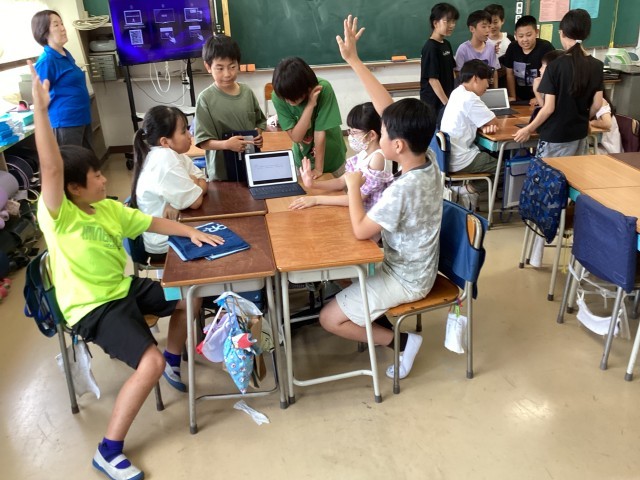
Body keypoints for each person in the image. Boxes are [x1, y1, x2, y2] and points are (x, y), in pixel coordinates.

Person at [28, 61, 223, 480]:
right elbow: (51, 169)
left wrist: (193, 232)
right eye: (96, 175)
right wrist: (41, 112)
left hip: (124, 288)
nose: (105, 179)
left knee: (190, 294)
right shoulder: (59, 217)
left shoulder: (108, 208)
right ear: (73, 188)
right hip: (93, 307)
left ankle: (173, 359)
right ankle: (108, 450)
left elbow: (154, 223)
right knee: (147, 365)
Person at [319, 15, 442, 381]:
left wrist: (352, 184)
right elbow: (387, 107)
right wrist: (354, 60)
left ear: (397, 145)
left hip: (407, 277)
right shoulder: (427, 159)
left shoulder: (402, 189)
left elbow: (360, 230)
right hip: (412, 263)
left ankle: (401, 342)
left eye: (383, 133)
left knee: (329, 318)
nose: (378, 135)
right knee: (342, 276)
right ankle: (377, 316)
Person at [514, 9, 603, 159]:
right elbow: (597, 104)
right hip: (579, 134)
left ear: (562, 33)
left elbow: (548, 108)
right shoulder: (597, 65)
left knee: (550, 173)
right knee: (573, 172)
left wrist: (528, 129)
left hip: (555, 136)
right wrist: (581, 119)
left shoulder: (555, 66)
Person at [289, 102, 393, 212]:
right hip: (358, 212)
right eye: (350, 131)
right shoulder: (364, 153)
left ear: (371, 135)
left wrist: (316, 200)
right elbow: (341, 182)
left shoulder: (378, 158)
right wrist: (313, 184)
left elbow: (357, 199)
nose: (350, 136)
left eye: (354, 132)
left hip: (369, 217)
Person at [131, 106, 207, 256]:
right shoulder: (164, 158)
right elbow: (196, 201)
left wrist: (177, 200)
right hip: (165, 241)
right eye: (184, 131)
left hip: (178, 227)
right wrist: (194, 182)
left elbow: (203, 179)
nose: (189, 135)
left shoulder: (174, 154)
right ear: (165, 141)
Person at [194, 34, 267, 181]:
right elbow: (203, 142)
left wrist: (257, 137)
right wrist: (227, 144)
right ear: (208, 67)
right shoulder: (205, 99)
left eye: (232, 67)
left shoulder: (247, 92)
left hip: (250, 167)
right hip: (222, 174)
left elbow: (259, 123)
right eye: (220, 68)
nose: (227, 74)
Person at [271, 57, 346, 178]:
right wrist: (310, 106)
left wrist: (318, 169)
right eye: (285, 98)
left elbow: (320, 132)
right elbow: (296, 137)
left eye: (293, 97)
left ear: (308, 88)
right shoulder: (279, 95)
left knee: (336, 186)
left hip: (331, 157)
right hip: (302, 159)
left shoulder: (323, 89)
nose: (288, 101)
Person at [31, 10, 93, 150]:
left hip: (82, 117)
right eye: (56, 25)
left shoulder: (65, 55)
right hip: (65, 122)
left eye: (62, 23)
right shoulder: (47, 61)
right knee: (71, 162)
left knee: (87, 161)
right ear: (44, 32)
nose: (63, 28)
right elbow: (39, 98)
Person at [440, 59, 499, 200]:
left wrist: (483, 124)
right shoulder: (470, 98)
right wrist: (485, 124)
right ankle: (464, 191)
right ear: (476, 79)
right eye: (487, 80)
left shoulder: (457, 92)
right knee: (503, 169)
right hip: (461, 159)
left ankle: (466, 192)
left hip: (447, 156)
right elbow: (495, 122)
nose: (488, 85)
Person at [419, 3, 460, 124]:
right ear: (435, 23)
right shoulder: (430, 47)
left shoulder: (446, 44)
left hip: (447, 99)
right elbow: (433, 80)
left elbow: (452, 71)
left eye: (454, 21)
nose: (452, 25)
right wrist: (447, 104)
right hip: (434, 103)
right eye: (448, 21)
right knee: (437, 132)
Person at [502, 15, 555, 102]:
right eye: (521, 36)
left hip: (540, 97)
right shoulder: (512, 47)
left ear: (536, 32)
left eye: (529, 35)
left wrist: (540, 97)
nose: (525, 39)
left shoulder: (546, 47)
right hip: (519, 96)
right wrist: (512, 96)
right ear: (515, 35)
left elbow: (552, 76)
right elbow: (509, 74)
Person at [454, 10, 500, 88]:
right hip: (469, 91)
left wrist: (495, 90)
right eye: (484, 27)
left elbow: (494, 71)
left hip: (487, 90)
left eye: (489, 26)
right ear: (472, 29)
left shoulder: (491, 47)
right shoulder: (463, 49)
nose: (488, 30)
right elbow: (458, 73)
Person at [484, 4, 514, 89]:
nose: (492, 26)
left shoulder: (510, 39)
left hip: (507, 81)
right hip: (487, 82)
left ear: (502, 21)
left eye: (495, 22)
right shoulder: (482, 41)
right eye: (489, 22)